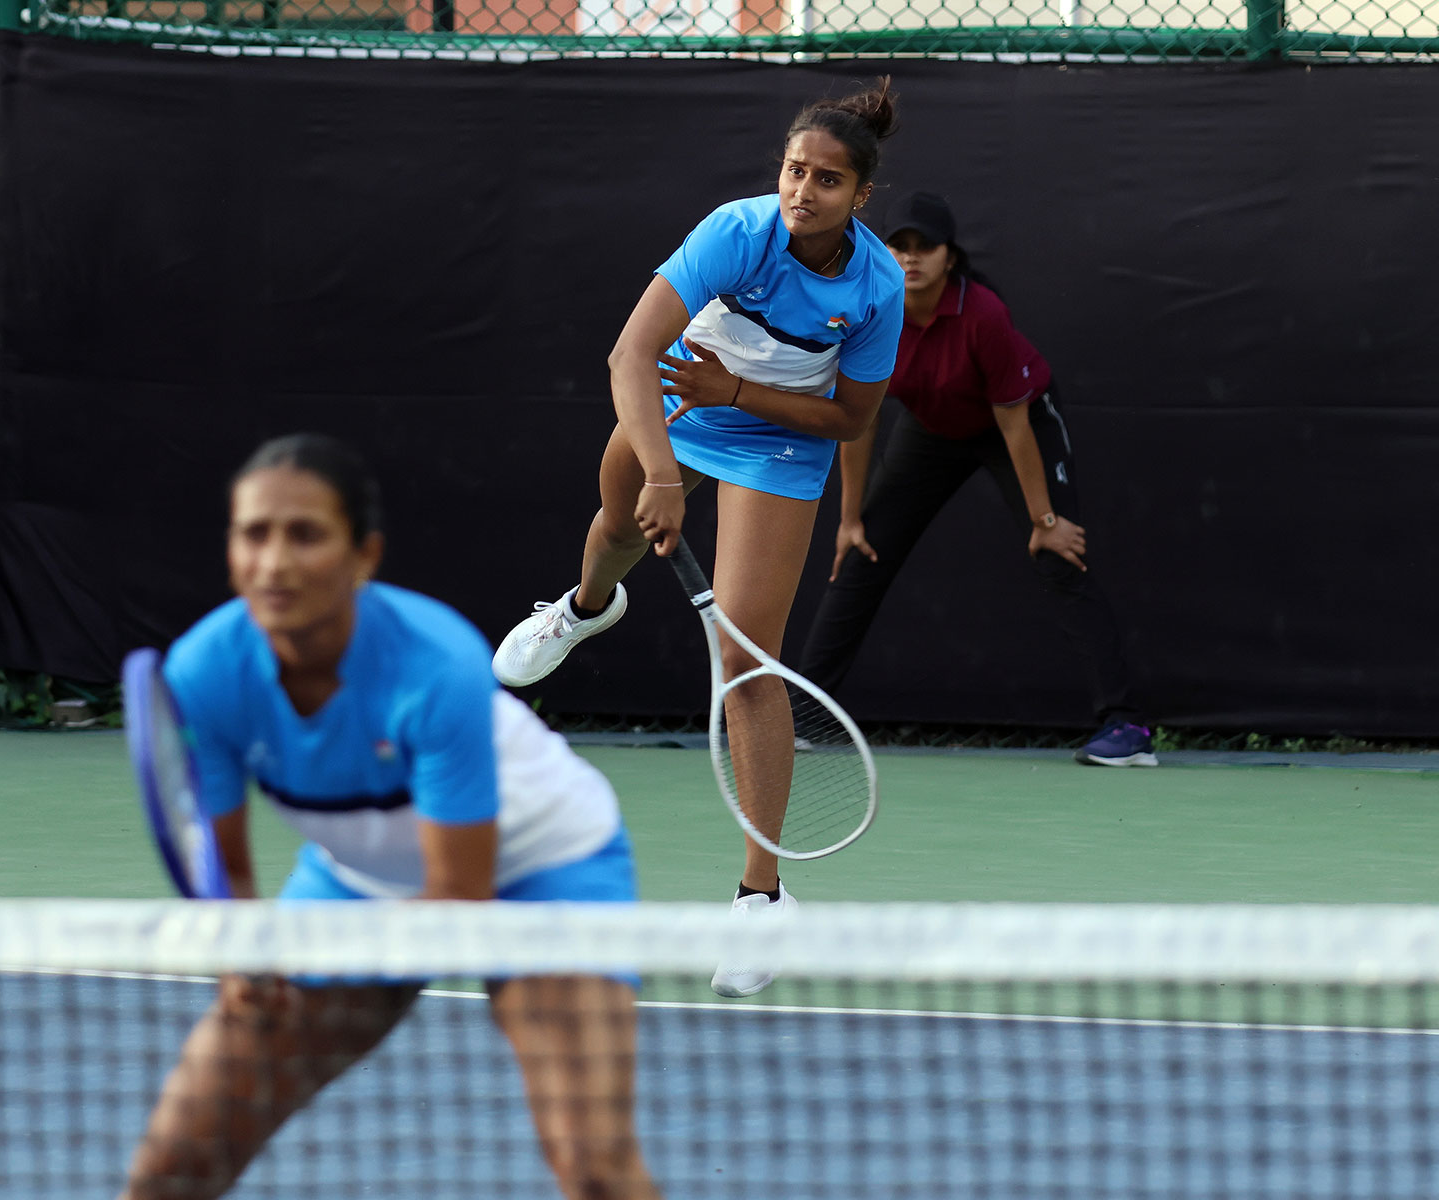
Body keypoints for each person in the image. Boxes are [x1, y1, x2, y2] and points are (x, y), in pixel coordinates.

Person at [120, 434, 661, 1200]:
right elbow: (226, 872)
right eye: (253, 534)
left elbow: (458, 899)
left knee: (595, 1164)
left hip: (545, 870)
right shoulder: (205, 674)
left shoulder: (432, 663)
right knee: (173, 1167)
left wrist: (297, 948)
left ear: (363, 555)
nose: (273, 563)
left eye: (304, 534)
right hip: (360, 878)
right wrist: (244, 954)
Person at [491, 80, 906, 997]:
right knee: (615, 525)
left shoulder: (878, 287)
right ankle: (582, 610)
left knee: (747, 658)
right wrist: (663, 474)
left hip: (777, 437)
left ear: (860, 195)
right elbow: (631, 354)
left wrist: (741, 393)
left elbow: (850, 419)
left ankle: (762, 899)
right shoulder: (737, 232)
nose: (803, 191)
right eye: (795, 171)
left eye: (828, 180)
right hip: (679, 406)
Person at [793, 191, 1157, 767]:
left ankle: (1126, 728)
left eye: (925, 247)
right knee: (862, 552)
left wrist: (1044, 521)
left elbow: (1014, 426)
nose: (911, 258)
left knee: (1058, 554)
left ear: (950, 257)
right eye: (900, 246)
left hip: (1014, 422)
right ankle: (805, 716)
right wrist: (850, 518)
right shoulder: (870, 311)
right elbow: (859, 422)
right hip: (932, 428)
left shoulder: (982, 315)